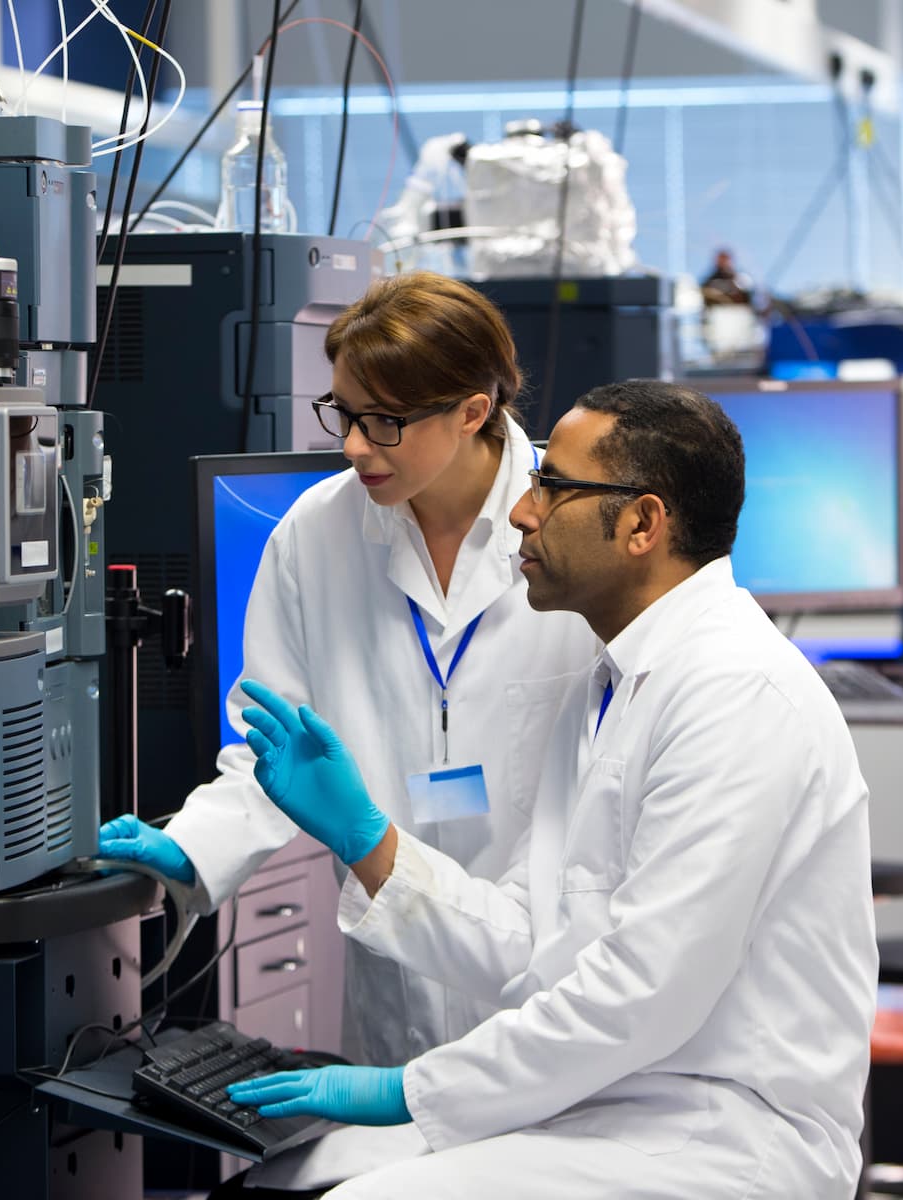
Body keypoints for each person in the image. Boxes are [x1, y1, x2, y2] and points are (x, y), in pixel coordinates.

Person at [227, 379, 878, 1199]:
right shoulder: (612, 688)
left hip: (721, 1127)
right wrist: (371, 845)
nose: (523, 513)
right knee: (282, 1178)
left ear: (643, 523)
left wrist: (412, 1088)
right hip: (612, 1099)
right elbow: (535, 938)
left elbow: (642, 994)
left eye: (554, 487)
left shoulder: (735, 695)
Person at [99, 272, 599, 1067]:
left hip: (547, 995)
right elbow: (274, 749)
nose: (353, 445)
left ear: (474, 410)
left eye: (385, 422)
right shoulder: (316, 533)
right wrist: (192, 847)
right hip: (395, 991)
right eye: (344, 413)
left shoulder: (574, 535)